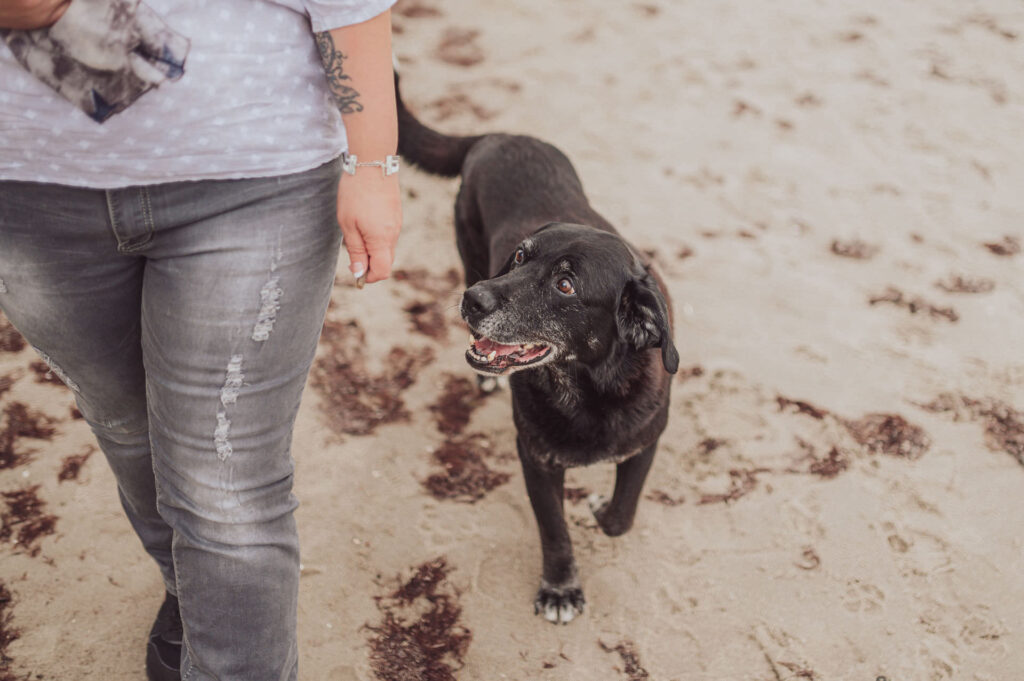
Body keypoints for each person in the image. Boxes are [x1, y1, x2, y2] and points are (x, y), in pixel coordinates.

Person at [0, 1, 402, 679]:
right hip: (31, 190)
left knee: (225, 483)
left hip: (251, 176)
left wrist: (374, 164)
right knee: (126, 425)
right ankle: (195, 592)